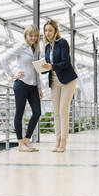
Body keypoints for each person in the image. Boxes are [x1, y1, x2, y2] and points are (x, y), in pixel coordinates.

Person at [1, 25, 43, 152]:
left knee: (37, 112)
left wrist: (39, 87)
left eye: (35, 36)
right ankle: (20, 143)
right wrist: (12, 75)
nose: (34, 38)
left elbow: (37, 69)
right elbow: (4, 59)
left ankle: (27, 140)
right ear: (26, 35)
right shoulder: (21, 46)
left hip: (33, 85)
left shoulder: (36, 49)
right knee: (19, 113)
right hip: (21, 84)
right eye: (31, 35)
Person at [42, 19, 78, 153]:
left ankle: (63, 141)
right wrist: (42, 67)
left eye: (50, 30)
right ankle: (57, 141)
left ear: (55, 31)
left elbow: (65, 62)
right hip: (54, 81)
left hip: (67, 80)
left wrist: (52, 66)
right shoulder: (46, 47)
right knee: (56, 113)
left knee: (63, 110)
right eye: (45, 30)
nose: (47, 33)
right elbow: (49, 66)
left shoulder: (62, 43)